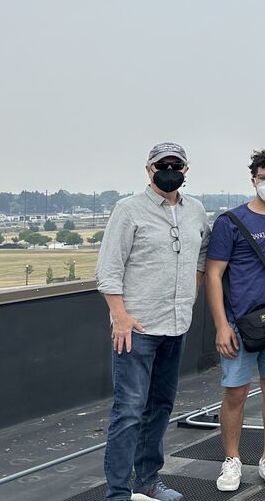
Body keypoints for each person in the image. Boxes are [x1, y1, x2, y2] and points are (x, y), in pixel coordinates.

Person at [96, 142, 210, 501]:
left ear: (186, 171)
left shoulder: (196, 211)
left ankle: (147, 480)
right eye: (164, 164)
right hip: (137, 329)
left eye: (177, 165)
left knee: (160, 407)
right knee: (128, 411)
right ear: (149, 169)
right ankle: (117, 492)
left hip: (176, 326)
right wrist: (120, 316)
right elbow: (109, 268)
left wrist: (189, 296)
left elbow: (202, 255)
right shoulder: (128, 210)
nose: (171, 170)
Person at [205, 150, 265, 492]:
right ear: (253, 180)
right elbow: (214, 275)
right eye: (264, 177)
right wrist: (221, 324)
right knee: (235, 393)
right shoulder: (229, 222)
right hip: (238, 324)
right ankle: (232, 460)